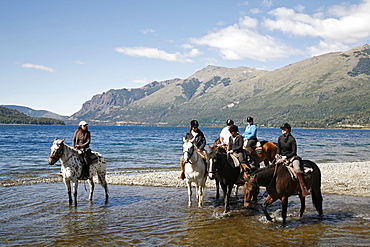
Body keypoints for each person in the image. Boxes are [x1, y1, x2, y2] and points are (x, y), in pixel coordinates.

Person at [275, 123, 309, 197]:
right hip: (282, 158)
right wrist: (277, 154)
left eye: (284, 129)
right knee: (273, 168)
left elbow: (294, 151)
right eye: (282, 129)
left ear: (288, 130)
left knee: (297, 169)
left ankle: (303, 188)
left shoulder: (292, 139)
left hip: (292, 157)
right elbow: (279, 148)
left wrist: (286, 157)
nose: (282, 130)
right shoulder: (280, 138)